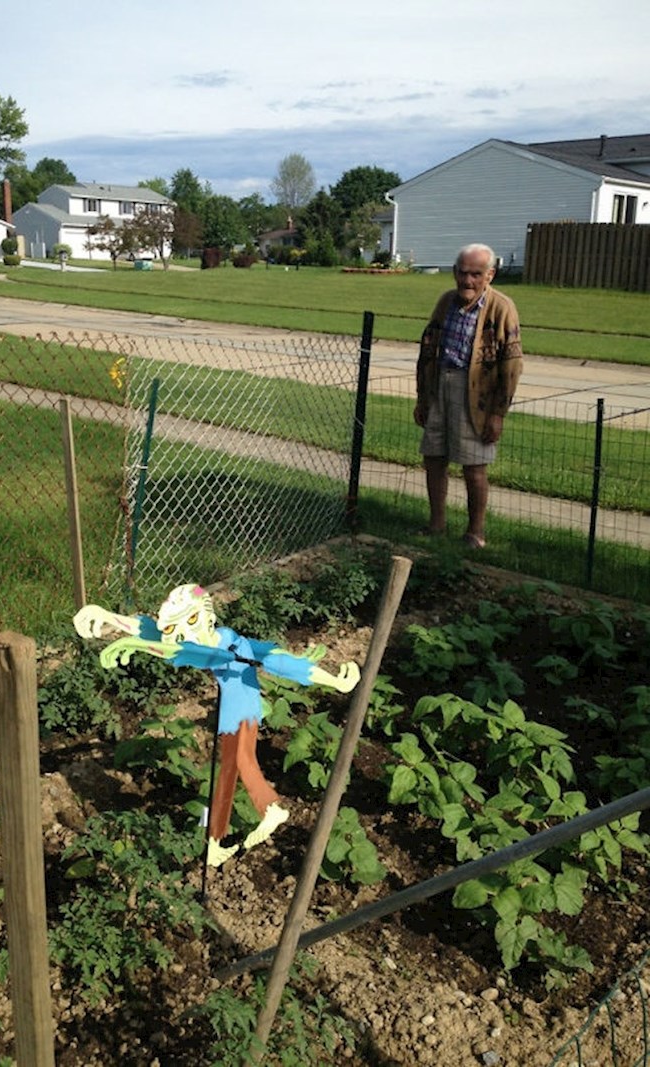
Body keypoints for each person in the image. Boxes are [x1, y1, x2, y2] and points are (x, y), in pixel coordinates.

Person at [73, 584, 360, 868]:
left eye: (190, 621)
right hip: (231, 712)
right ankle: (214, 843)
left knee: (242, 760)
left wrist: (334, 681)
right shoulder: (219, 643)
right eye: (179, 627)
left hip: (242, 712)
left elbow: (269, 661)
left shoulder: (223, 648)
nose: (183, 633)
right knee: (225, 776)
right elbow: (156, 634)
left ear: (204, 616)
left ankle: (270, 809)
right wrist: (109, 617)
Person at [413, 243, 523, 548]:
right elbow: (427, 348)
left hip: (477, 394)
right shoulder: (445, 301)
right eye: (462, 273)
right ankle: (436, 525)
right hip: (440, 386)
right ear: (454, 272)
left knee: (474, 466)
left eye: (476, 274)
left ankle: (476, 533)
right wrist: (422, 396)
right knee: (434, 458)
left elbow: (512, 366)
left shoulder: (502, 307)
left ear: (490, 275)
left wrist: (498, 413)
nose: (468, 281)